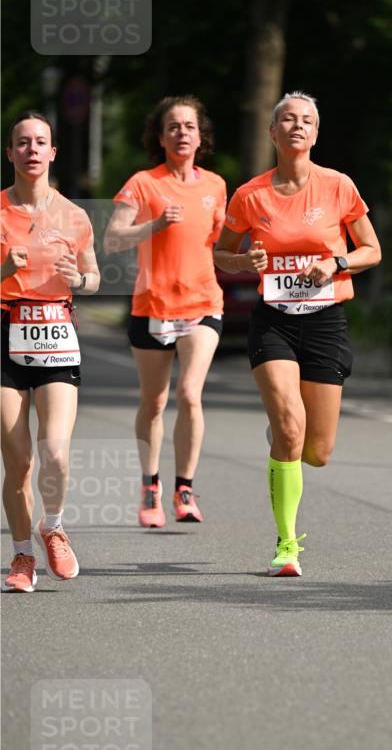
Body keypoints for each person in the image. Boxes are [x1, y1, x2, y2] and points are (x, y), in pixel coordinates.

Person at [215, 91, 381, 576]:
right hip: (275, 323)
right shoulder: (250, 195)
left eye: (306, 120)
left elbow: (371, 249)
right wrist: (244, 261)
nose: (297, 126)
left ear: (316, 133)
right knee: (290, 424)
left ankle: (284, 434)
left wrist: (336, 263)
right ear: (272, 132)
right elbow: (220, 253)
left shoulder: (338, 186)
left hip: (326, 321)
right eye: (287, 119)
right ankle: (287, 544)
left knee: (318, 452)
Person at [104, 96, 227, 527]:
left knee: (189, 393)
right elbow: (113, 239)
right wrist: (154, 225)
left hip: (202, 303)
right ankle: (150, 484)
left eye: (189, 126)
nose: (182, 133)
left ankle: (185, 488)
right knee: (153, 402)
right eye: (173, 126)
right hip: (153, 305)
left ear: (200, 136)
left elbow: (218, 247)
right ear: (160, 136)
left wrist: (249, 261)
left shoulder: (215, 186)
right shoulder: (143, 183)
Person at [1, 111, 100, 592]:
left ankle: (53, 525)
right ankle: (22, 558)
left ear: (53, 152)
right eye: (23, 142)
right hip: (6, 332)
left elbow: (93, 276)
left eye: (41, 142)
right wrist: (3, 271)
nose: (32, 150)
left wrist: (79, 280)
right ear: (10, 153)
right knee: (18, 461)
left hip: (57, 330)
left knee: (55, 451)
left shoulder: (74, 216)